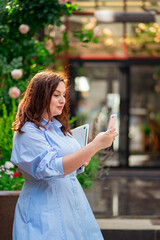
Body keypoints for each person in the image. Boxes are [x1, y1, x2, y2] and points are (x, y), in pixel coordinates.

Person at [11, 70, 118, 240]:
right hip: (44, 210)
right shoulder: (27, 131)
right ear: (40, 96)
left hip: (72, 205)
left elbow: (75, 163)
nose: (62, 100)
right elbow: (51, 168)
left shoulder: (58, 128)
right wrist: (95, 145)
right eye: (56, 95)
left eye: (63, 95)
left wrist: (86, 155)